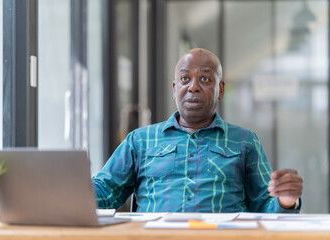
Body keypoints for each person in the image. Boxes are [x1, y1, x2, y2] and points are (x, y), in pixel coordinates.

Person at [93, 48, 303, 213]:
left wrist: (286, 200)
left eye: (204, 79)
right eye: (185, 79)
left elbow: (266, 207)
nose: (193, 87)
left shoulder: (245, 141)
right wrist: (72, 190)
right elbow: (106, 191)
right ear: (175, 89)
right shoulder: (140, 140)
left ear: (220, 89)